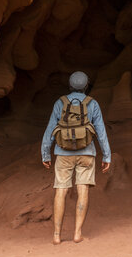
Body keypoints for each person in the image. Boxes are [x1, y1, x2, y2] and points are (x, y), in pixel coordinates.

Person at [41, 71, 111, 245]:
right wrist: (106, 155)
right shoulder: (92, 103)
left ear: (70, 86)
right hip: (86, 153)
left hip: (62, 153)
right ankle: (77, 234)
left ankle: (57, 235)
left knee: (61, 191)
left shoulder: (60, 102)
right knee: (83, 191)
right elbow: (101, 132)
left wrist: (45, 153)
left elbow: (50, 129)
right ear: (86, 86)